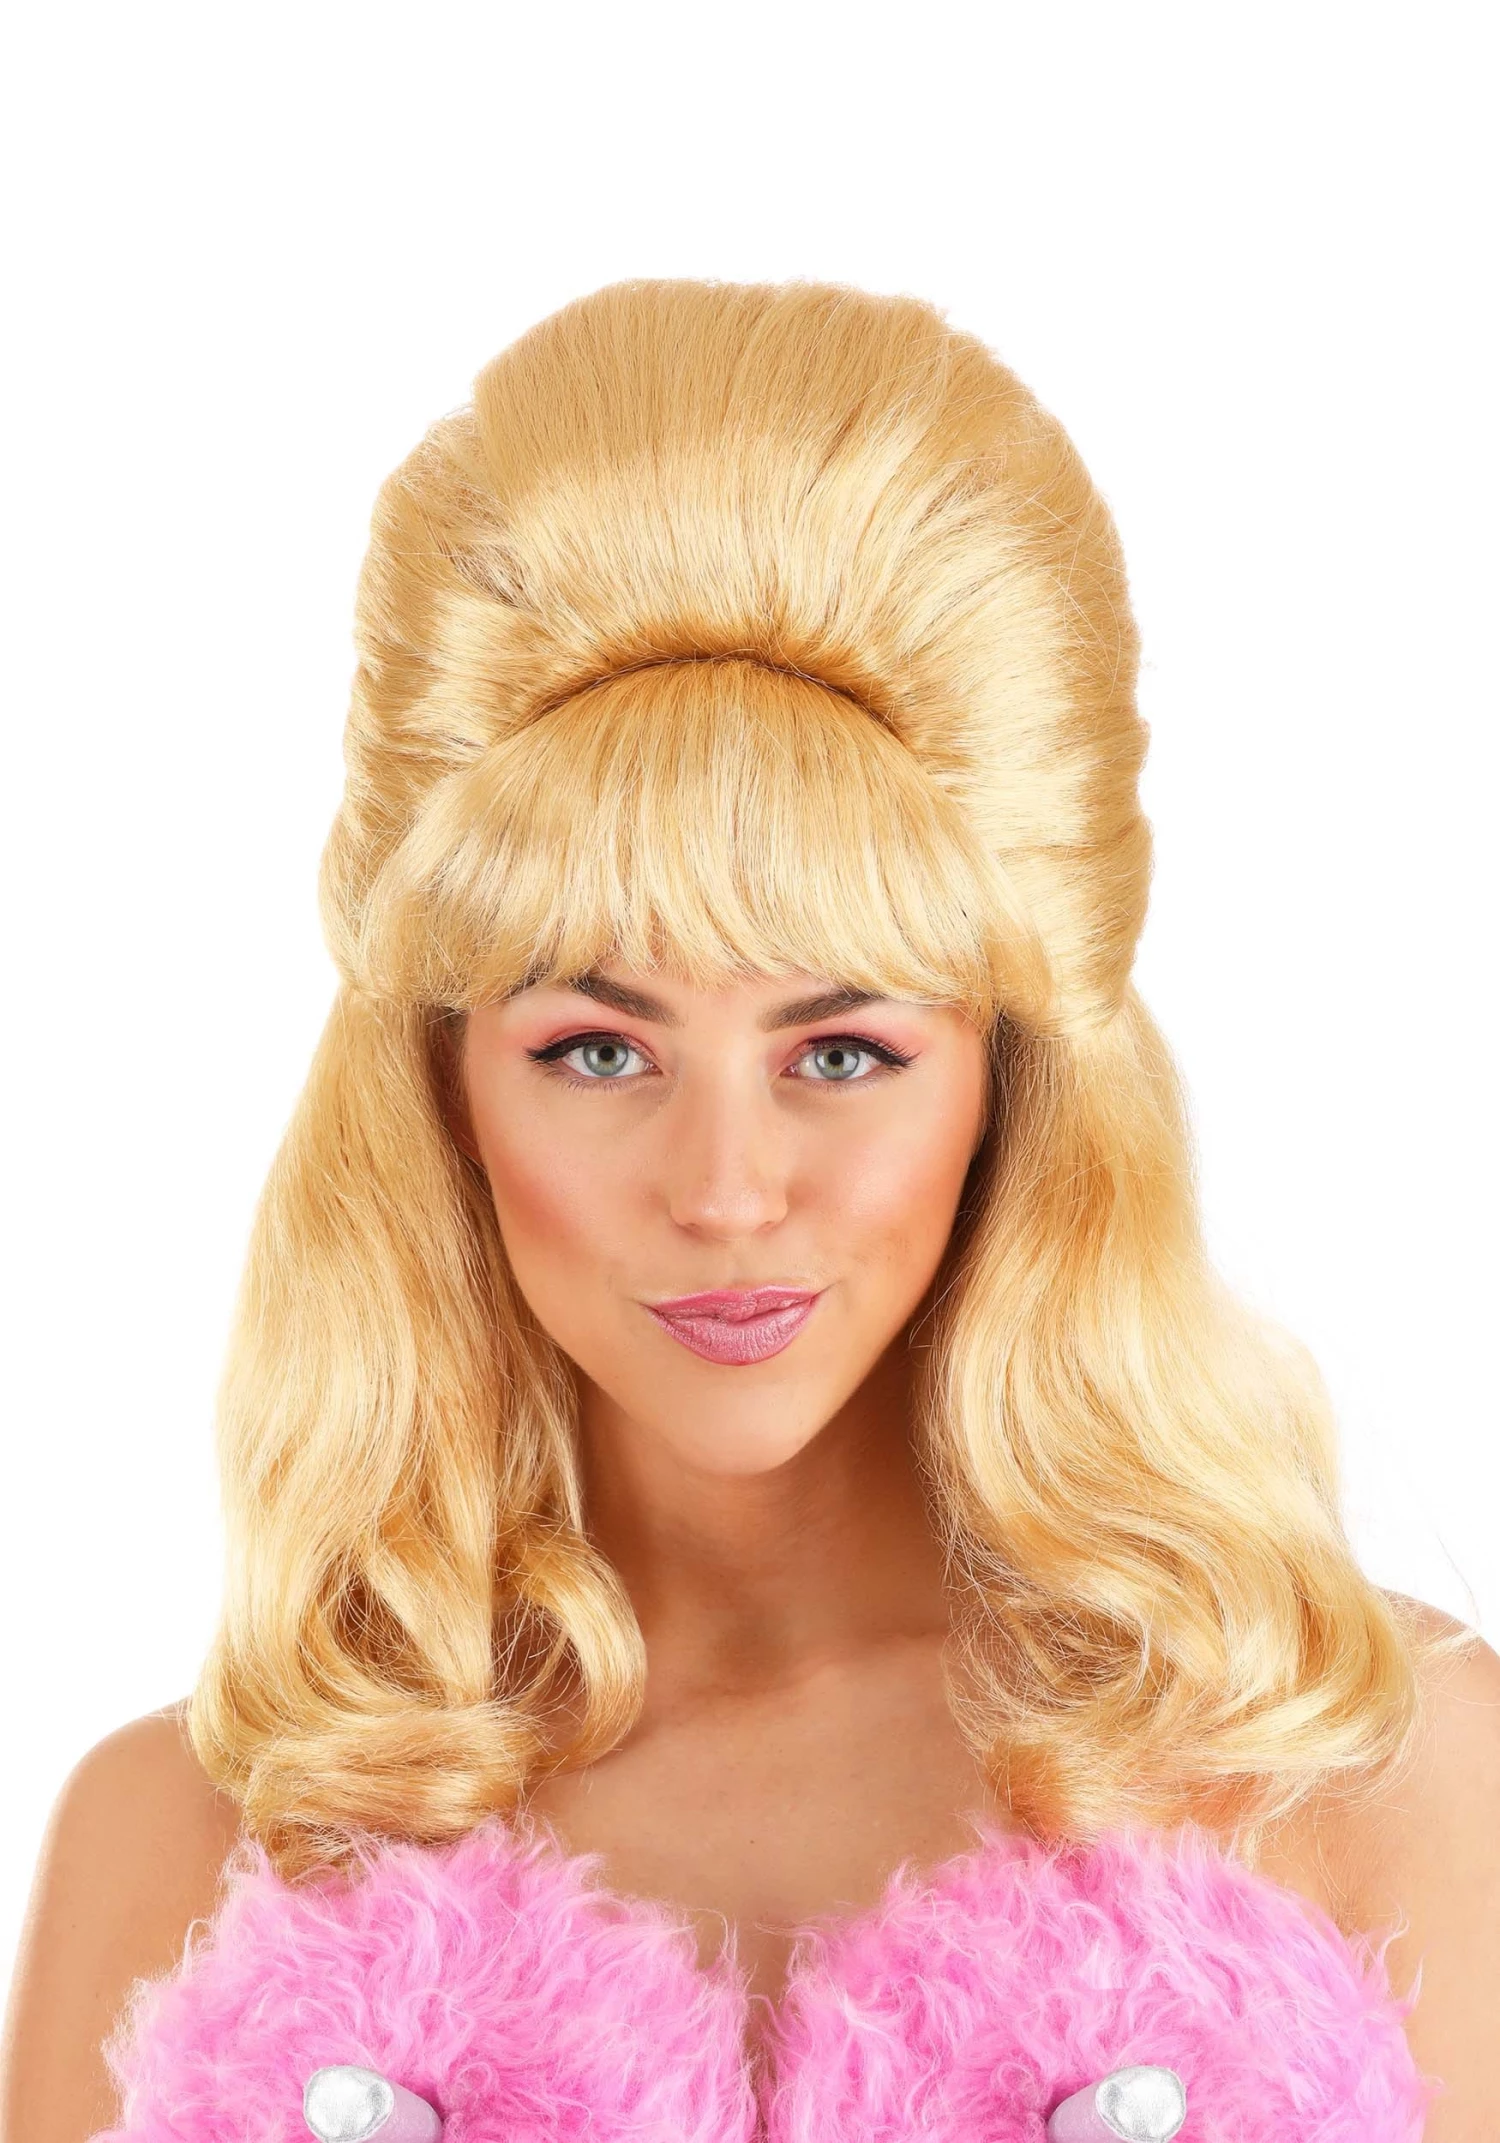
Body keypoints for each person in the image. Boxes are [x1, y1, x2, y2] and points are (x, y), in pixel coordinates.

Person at [3, 276, 1497, 2143]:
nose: (725, 1188)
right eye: (597, 1050)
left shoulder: (1360, 1765)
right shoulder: (188, 1851)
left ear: (1006, 1078)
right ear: (445, 1090)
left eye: (843, 1050)